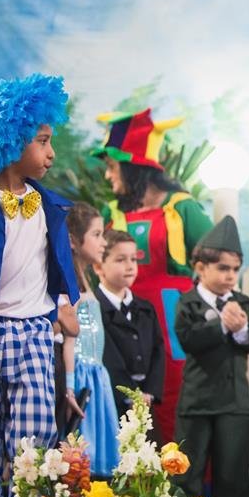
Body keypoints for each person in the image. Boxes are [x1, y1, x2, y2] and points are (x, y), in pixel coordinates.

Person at [0, 74, 79, 497]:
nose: (51, 153)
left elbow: (56, 267)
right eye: (42, 141)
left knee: (34, 438)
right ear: (11, 140)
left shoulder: (48, 206)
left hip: (32, 332)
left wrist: (63, 306)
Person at [94, 109, 213, 441]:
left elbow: (218, 260)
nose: (107, 175)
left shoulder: (182, 207)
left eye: (112, 166)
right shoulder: (110, 213)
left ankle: (183, 474)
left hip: (174, 322)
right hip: (122, 322)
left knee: (177, 400)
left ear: (132, 166)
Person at [173, 216, 249, 497]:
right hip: (197, 403)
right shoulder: (188, 302)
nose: (230, 275)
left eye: (235, 269)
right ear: (201, 268)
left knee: (234, 475)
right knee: (189, 474)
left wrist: (242, 329)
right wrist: (222, 326)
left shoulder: (243, 304)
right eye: (223, 268)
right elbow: (188, 339)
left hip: (234, 403)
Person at [59, 203, 121, 475]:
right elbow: (69, 338)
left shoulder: (85, 278)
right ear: (73, 241)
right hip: (80, 375)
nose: (103, 242)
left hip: (96, 374)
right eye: (96, 234)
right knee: (82, 458)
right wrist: (70, 386)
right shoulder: (68, 281)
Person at [94, 229, 166, 445]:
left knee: (149, 457)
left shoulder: (145, 308)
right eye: (120, 259)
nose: (130, 266)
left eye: (133, 259)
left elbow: (158, 351)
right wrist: (131, 394)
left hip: (144, 402)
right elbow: (108, 357)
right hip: (111, 401)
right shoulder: (94, 308)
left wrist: (149, 393)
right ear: (98, 267)